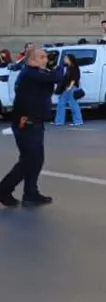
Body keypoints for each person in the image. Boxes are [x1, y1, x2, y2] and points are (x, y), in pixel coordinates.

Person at [0, 48, 57, 207]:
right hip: (27, 123)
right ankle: (4, 189)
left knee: (35, 160)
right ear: (31, 60)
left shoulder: (35, 73)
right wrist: (60, 65)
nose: (45, 60)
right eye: (41, 57)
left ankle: (30, 192)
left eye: (46, 57)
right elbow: (57, 76)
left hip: (34, 122)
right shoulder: (31, 73)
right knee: (29, 160)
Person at [53, 53, 83, 128]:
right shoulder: (68, 68)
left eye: (66, 58)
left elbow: (74, 79)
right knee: (61, 103)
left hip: (70, 88)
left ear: (70, 59)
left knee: (72, 104)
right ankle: (59, 121)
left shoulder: (74, 68)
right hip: (67, 88)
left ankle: (77, 121)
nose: (64, 60)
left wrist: (70, 87)